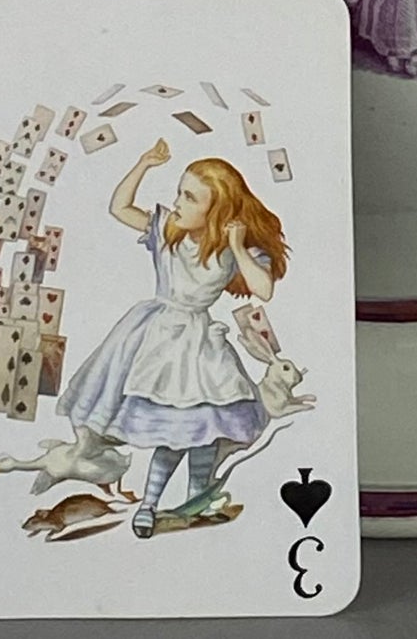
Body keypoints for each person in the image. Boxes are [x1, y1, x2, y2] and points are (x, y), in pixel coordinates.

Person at [56, 139, 288, 539]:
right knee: (173, 432)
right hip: (158, 339)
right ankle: (148, 504)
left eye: (189, 197)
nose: (177, 202)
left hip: (200, 344)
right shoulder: (168, 230)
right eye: (180, 192)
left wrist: (237, 246)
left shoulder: (231, 248)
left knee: (206, 428)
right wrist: (144, 163)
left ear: (215, 211)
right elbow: (119, 208)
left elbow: (263, 290)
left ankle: (197, 496)